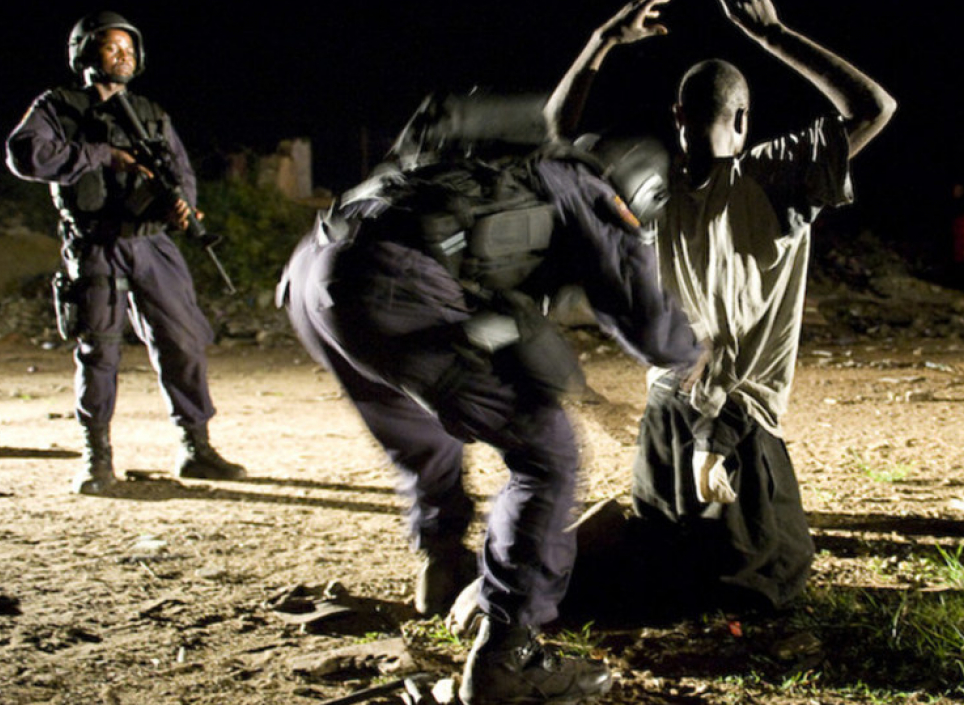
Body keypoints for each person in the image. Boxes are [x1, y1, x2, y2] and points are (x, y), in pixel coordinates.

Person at [277, 92, 701, 704]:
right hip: (392, 283)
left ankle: (441, 563)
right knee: (547, 454)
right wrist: (690, 353)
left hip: (316, 273)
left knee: (423, 430)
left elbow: (509, 314)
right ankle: (508, 656)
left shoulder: (505, 168)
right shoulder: (584, 188)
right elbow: (644, 320)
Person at [549, 0, 897, 612]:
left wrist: (601, 41)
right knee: (764, 579)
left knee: (661, 570)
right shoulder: (777, 176)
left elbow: (548, 141)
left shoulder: (645, 187)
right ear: (744, 121)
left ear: (675, 113)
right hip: (740, 427)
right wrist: (773, 33)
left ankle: (539, 576)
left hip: (664, 425)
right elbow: (875, 107)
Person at [6, 11, 246, 495]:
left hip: (152, 242)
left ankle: (195, 447)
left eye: (129, 49)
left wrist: (184, 209)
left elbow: (181, 172)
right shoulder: (60, 107)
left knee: (183, 343)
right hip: (96, 243)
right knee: (100, 350)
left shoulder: (152, 113)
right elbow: (26, 155)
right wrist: (101, 155)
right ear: (86, 55)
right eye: (113, 48)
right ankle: (97, 457)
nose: (124, 56)